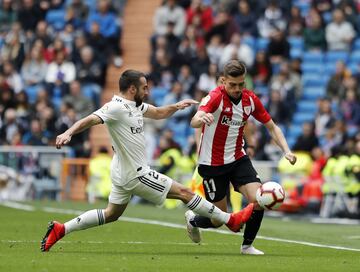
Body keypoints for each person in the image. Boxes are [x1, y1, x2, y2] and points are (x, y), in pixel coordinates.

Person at [40, 69, 255, 252]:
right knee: (184, 193)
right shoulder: (116, 107)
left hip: (122, 171)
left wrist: (176, 106)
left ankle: (61, 229)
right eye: (144, 88)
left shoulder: (136, 106)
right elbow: (89, 119)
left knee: (111, 214)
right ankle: (231, 220)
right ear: (132, 89)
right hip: (136, 173)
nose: (147, 91)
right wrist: (68, 133)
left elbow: (158, 113)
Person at [185, 60, 297, 255]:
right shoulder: (214, 98)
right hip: (211, 164)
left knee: (260, 199)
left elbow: (272, 126)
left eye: (241, 84)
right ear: (223, 81)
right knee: (218, 219)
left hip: (238, 159)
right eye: (232, 85)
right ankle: (193, 220)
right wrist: (200, 119)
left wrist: (286, 150)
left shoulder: (250, 99)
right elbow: (194, 120)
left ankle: (247, 246)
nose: (237, 89)